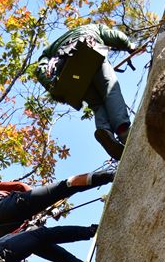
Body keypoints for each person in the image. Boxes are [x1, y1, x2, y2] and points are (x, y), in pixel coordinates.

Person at [35, 23, 136, 160]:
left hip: (69, 71)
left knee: (97, 104)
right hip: (89, 53)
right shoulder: (93, 27)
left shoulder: (53, 46)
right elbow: (112, 35)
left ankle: (105, 131)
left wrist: (51, 86)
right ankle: (123, 131)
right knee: (110, 90)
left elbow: (40, 67)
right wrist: (129, 45)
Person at [0, 165, 115, 237]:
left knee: (45, 239)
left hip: (3, 231)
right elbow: (21, 187)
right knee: (66, 186)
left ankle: (91, 231)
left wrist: (40, 212)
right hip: (3, 207)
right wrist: (43, 204)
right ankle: (110, 174)